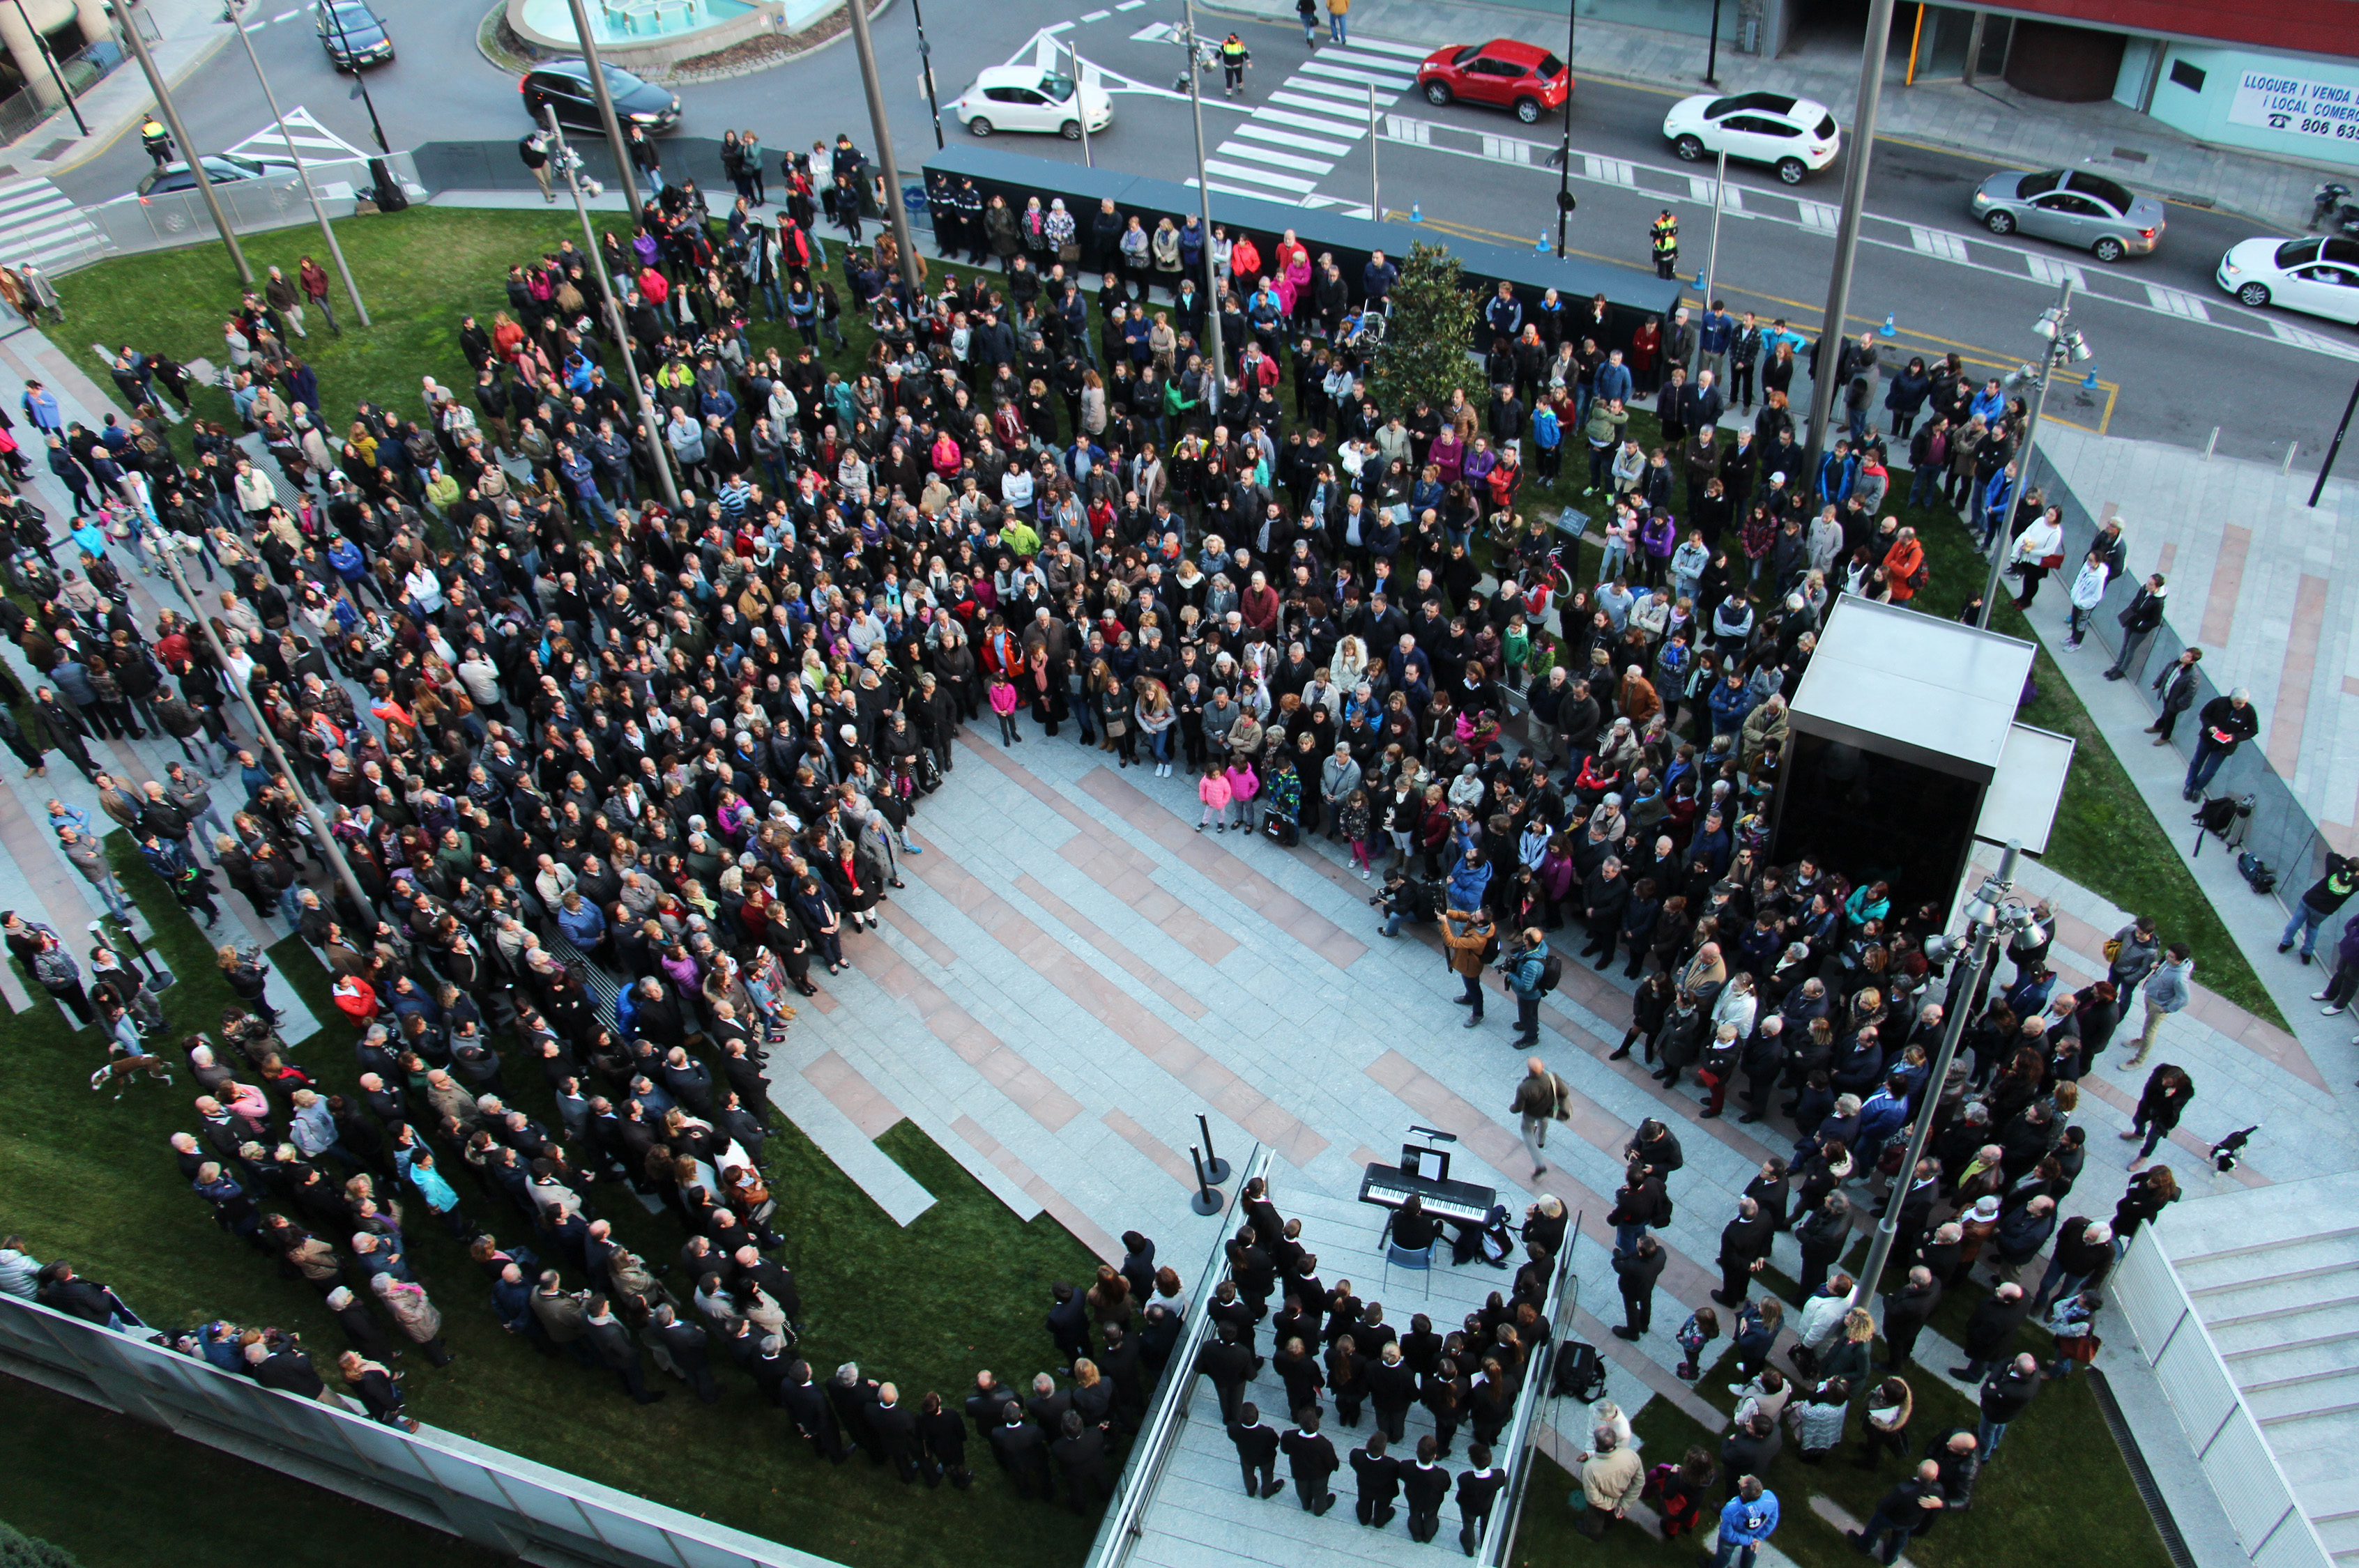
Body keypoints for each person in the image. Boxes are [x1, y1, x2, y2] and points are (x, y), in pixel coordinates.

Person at [1847, 1459, 1946, 1563]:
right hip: (1912, 1521)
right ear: (1935, 1477)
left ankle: (1864, 1547)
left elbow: (1886, 1505)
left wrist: (1880, 1505)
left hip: (1890, 1518)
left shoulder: (1903, 1490)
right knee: (1901, 1538)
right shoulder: (1939, 1490)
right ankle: (1890, 1559)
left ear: (1918, 1468)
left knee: (1874, 1529)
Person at [2183, 686, 2259, 800]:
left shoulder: (2249, 712)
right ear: (2232, 699)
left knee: (2210, 771)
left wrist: (2234, 737)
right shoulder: (2219, 703)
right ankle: (2190, 784)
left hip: (2225, 746)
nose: (2241, 706)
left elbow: (2253, 730)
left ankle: (2198, 787)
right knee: (2197, 762)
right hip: (2207, 739)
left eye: (2243, 703)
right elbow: (2204, 714)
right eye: (2238, 703)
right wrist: (2210, 726)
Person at [2280, 854, 2356, 963]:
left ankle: (2285, 944)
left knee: (2296, 922)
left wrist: (2345, 862)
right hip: (2323, 911)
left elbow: (2331, 855)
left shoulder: (2335, 869)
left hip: (2309, 900)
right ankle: (2307, 953)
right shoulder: (2356, 884)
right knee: (2313, 928)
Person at [2128, 945, 2192, 1067]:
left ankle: (2139, 1060)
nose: (2167, 955)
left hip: (2159, 1005)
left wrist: (2166, 1009)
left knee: (2150, 1031)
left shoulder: (2180, 978)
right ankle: (2142, 1042)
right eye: (2168, 953)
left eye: (2171, 956)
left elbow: (2184, 999)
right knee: (2148, 1027)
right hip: (2152, 996)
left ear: (2179, 961)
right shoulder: (2169, 961)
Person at [1575, 1425, 1642, 1539]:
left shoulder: (1590, 1469)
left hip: (1601, 1503)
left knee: (1595, 1519)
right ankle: (1608, 1525)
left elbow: (1593, 1498)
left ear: (1597, 1444)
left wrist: (1609, 1504)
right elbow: (1639, 1483)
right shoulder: (1631, 1456)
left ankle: (1593, 1533)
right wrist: (1622, 1504)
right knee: (1611, 1515)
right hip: (1619, 1497)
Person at [1508, 1055, 1570, 1178]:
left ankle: (1539, 1165)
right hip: (1547, 1110)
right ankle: (1541, 1141)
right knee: (1543, 1123)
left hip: (1531, 1114)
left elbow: (1518, 1108)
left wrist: (1512, 1108)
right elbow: (1564, 1093)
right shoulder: (1553, 1078)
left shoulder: (1524, 1088)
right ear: (1542, 1067)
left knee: (1527, 1133)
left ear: (1529, 1070)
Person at [2121, 1062, 2194, 1165]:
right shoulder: (2161, 1071)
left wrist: (2169, 1098)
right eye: (2164, 1079)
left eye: (2168, 1083)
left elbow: (2172, 1109)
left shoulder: (2185, 1092)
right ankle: (2139, 1134)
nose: (2164, 1083)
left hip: (2163, 1117)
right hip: (2148, 1105)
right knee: (2138, 1120)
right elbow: (2149, 1088)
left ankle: (2144, 1156)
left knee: (2152, 1138)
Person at [1711, 1475, 1780, 1568]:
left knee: (1724, 1555)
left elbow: (1726, 1533)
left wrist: (1749, 1540)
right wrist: (1757, 1538)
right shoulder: (1770, 1498)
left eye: (1741, 1481)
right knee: (1750, 1552)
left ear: (1743, 1493)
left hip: (1735, 1536)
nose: (1741, 1477)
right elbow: (1773, 1520)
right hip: (1754, 1533)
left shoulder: (1731, 1509)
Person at [1281, 1406, 1339, 1514]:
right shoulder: (1325, 1444)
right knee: (1320, 1493)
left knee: (1302, 1490)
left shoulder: (1289, 1436)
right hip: (1319, 1476)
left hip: (1299, 1472)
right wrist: (1335, 1467)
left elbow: (1285, 1450)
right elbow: (1332, 1462)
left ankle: (1306, 1505)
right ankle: (1319, 1510)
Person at [1227, 1400, 1283, 1498]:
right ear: (1257, 1415)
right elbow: (1275, 1442)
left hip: (1246, 1457)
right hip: (1266, 1459)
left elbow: (1232, 1437)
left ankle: (1251, 1490)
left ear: (1240, 1418)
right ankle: (1266, 1492)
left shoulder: (1233, 1428)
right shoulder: (1267, 1432)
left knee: (1247, 1473)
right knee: (1267, 1475)